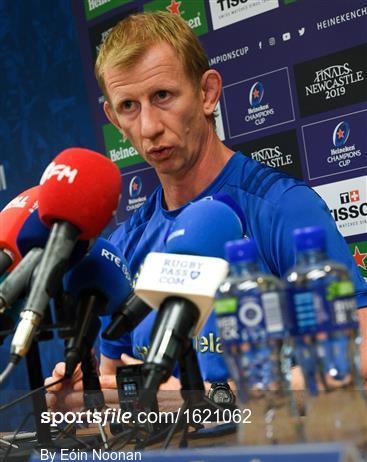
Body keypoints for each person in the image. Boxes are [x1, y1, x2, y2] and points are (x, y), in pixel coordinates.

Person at [47, 11, 367, 412]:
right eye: (129, 105)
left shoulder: (284, 208)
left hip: (279, 460)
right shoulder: (123, 245)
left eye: (163, 96)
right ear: (113, 118)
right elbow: (119, 390)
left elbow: (358, 359)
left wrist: (203, 400)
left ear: (207, 94)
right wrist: (89, 394)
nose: (148, 127)